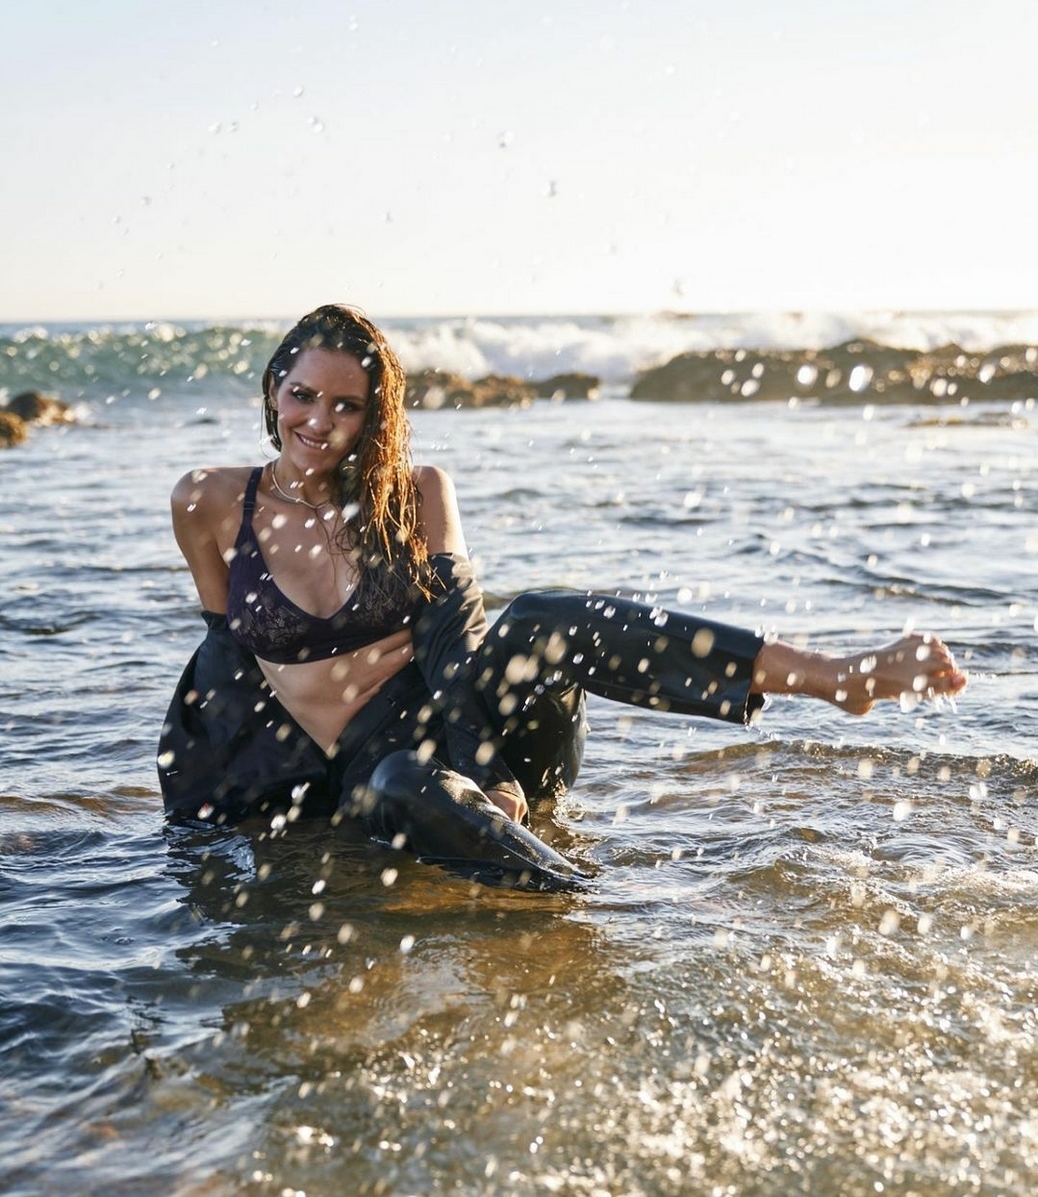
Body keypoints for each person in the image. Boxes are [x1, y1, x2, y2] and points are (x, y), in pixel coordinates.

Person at [157, 305, 968, 890]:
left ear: (376, 418)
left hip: (477, 716)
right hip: (372, 761)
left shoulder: (420, 492)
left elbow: (452, 640)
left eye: (346, 406)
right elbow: (230, 653)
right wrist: (225, 799)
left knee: (540, 615)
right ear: (273, 391)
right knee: (404, 786)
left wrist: (487, 767)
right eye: (303, 395)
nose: (318, 420)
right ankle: (575, 894)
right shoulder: (211, 501)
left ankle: (835, 677)